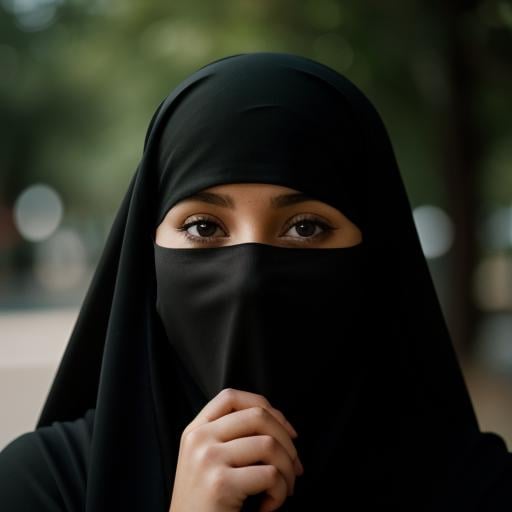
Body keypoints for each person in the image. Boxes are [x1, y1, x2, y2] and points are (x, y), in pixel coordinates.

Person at [0, 51, 510, 512]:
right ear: (147, 253)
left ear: (374, 255)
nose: (247, 278)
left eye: (305, 228)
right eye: (204, 227)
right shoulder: (42, 488)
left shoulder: (478, 491)